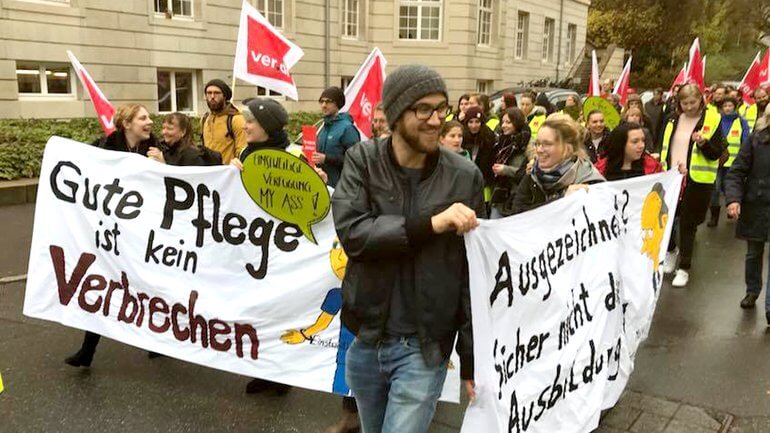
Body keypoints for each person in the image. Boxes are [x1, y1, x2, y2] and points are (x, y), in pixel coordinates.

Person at [332, 64, 482, 433]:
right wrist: (431, 224)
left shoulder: (464, 176)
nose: (436, 121)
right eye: (424, 110)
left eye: (442, 108)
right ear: (397, 113)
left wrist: (472, 358)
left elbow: (472, 274)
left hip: (423, 347)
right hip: (366, 339)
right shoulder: (363, 161)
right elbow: (354, 234)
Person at [64, 103, 160, 368]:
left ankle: (159, 341)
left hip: (143, 233)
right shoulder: (104, 148)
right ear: (127, 124)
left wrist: (163, 164)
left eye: (149, 117)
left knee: (147, 286)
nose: (150, 122)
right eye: (143, 118)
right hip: (111, 232)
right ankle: (87, 351)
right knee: (104, 284)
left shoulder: (155, 148)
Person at [660, 84, 727, 287]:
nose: (689, 107)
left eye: (693, 102)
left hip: (695, 180)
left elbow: (718, 154)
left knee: (688, 224)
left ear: (701, 100)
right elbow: (662, 143)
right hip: (671, 177)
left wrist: (704, 143)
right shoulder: (672, 118)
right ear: (679, 104)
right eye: (684, 103)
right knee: (667, 219)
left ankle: (684, 267)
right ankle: (671, 252)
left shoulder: (712, 119)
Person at [724, 105, 770, 322]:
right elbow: (736, 171)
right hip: (756, 205)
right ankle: (752, 290)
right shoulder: (755, 140)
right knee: (753, 253)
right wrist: (733, 199)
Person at [512, 115, 605, 214]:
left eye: (547, 144)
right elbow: (517, 216)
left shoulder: (590, 181)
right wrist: (562, 200)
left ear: (567, 148)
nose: (539, 150)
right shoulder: (533, 174)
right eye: (537, 144)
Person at [707, 96, 750, 228]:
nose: (727, 108)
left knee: (729, 188)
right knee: (715, 189)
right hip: (718, 162)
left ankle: (732, 208)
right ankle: (714, 214)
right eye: (725, 106)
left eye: (730, 106)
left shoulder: (741, 122)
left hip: (734, 163)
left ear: (734, 107)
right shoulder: (717, 120)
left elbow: (746, 141)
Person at [314, 86, 361, 188]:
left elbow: (356, 162)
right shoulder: (323, 127)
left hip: (340, 189)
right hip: (320, 186)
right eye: (321, 102)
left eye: (328, 102)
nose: (324, 105)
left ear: (337, 104)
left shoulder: (347, 128)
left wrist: (327, 159)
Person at [490, 107, 531, 218]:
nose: (503, 125)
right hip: (499, 196)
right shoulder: (501, 142)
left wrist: (506, 170)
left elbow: (526, 173)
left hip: (516, 198)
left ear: (516, 123)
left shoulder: (528, 145)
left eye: (508, 122)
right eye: (502, 122)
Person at [595, 122, 663, 181]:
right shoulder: (599, 169)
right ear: (621, 143)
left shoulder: (654, 167)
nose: (641, 145)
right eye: (635, 142)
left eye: (643, 140)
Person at [201, 79, 247, 165]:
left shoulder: (236, 119)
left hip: (228, 173)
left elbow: (242, 151)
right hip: (209, 173)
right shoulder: (205, 118)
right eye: (209, 93)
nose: (212, 96)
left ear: (225, 96)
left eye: (217, 93)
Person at [462, 106, 497, 189]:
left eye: (477, 122)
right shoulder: (462, 137)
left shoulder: (489, 138)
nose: (474, 126)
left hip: (484, 182)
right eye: (470, 122)